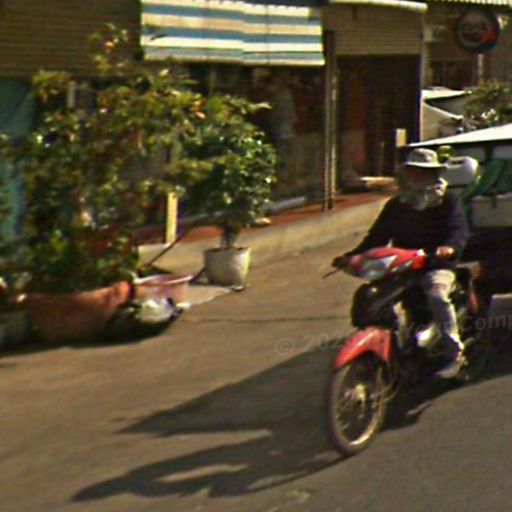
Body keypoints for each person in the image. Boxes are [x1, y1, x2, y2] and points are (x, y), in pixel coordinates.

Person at [332, 148, 470, 379]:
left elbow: (459, 231)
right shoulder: (397, 204)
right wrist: (352, 256)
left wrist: (449, 248)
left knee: (436, 295)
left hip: (435, 265)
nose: (417, 177)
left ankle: (454, 355)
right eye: (413, 172)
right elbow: (376, 237)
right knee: (375, 297)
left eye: (423, 172)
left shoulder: (447, 200)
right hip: (402, 267)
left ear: (434, 174)